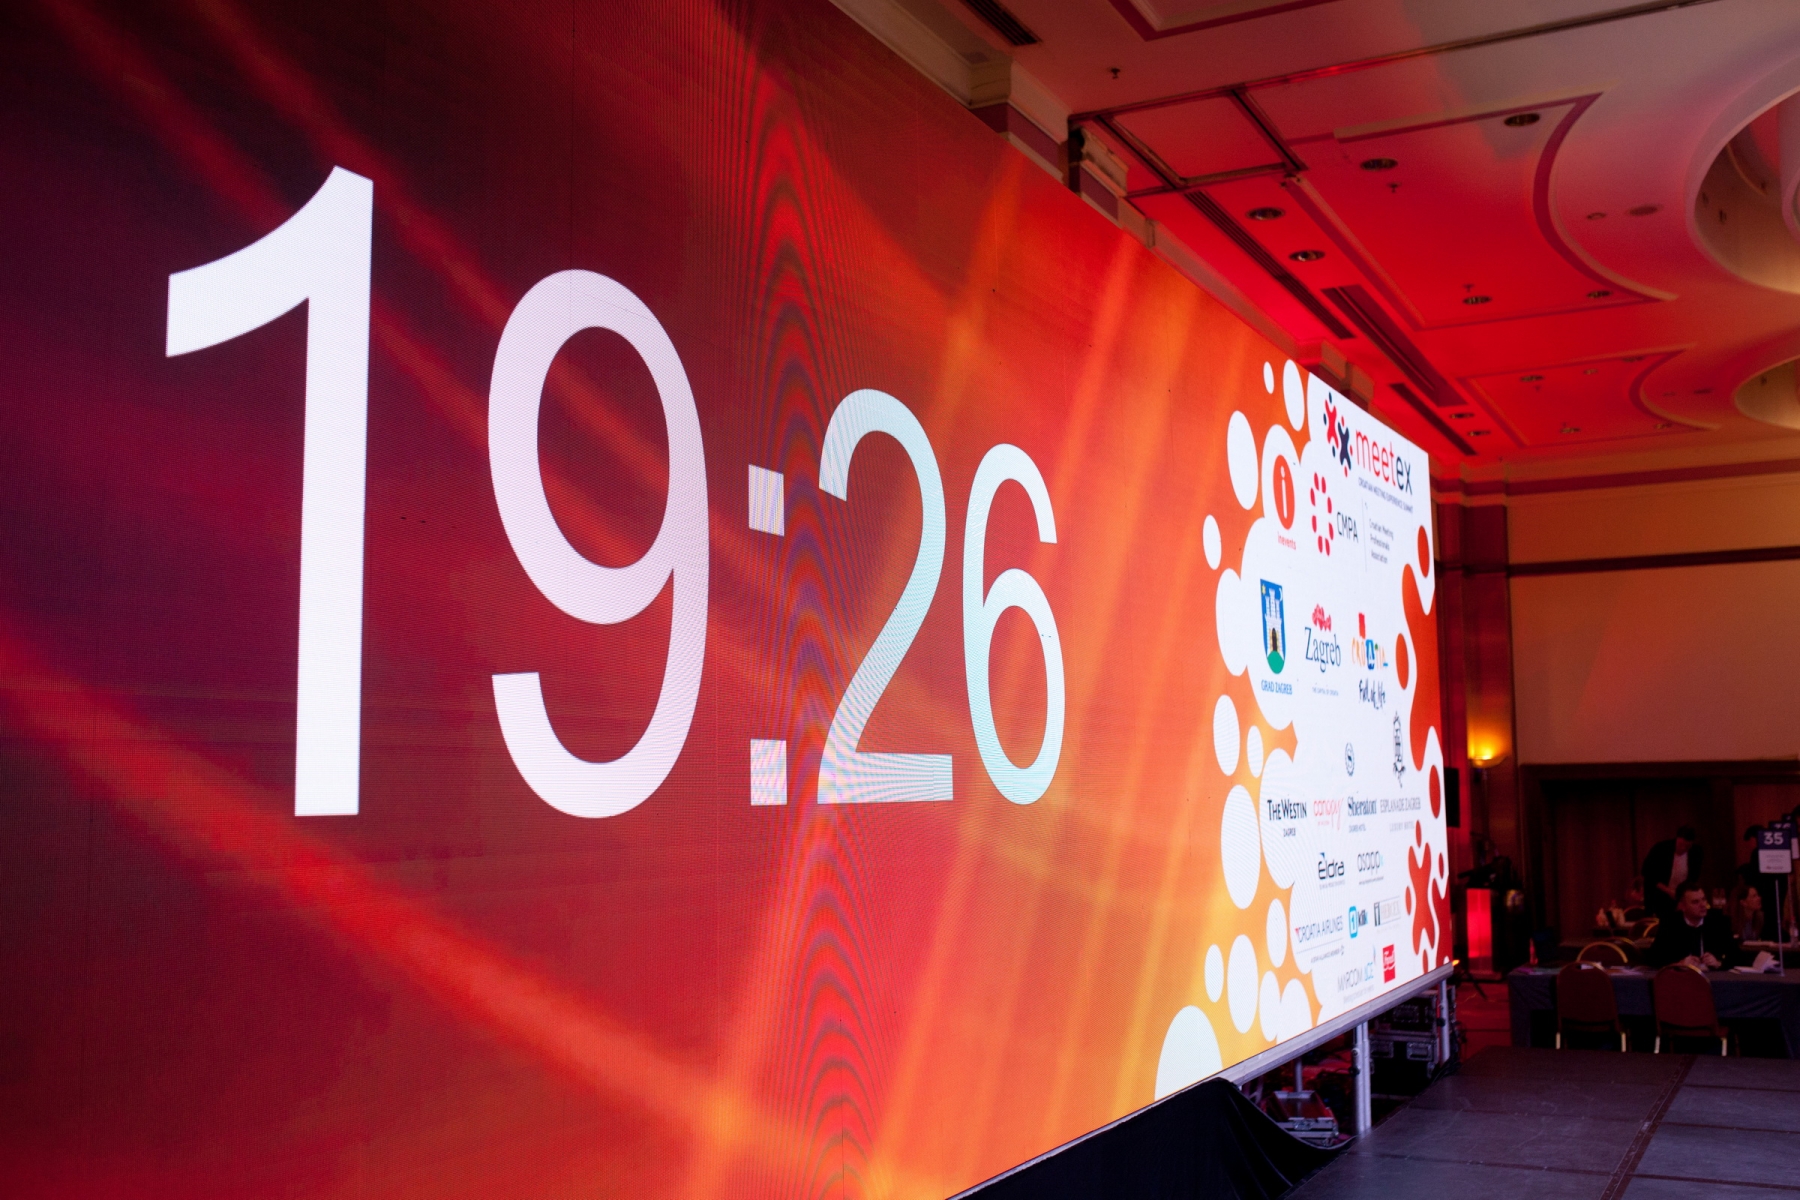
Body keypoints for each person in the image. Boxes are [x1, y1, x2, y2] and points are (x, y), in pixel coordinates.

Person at [1646, 880, 1736, 968]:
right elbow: (1653, 959)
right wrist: (1679, 964)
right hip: (1681, 976)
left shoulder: (1718, 922)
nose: (1703, 905)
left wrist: (1719, 963)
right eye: (1695, 902)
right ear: (1682, 906)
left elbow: (1737, 956)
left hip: (1713, 976)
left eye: (1704, 899)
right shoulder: (1670, 924)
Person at [1642, 825, 1703, 923]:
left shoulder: (1696, 852)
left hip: (1680, 896)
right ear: (1677, 839)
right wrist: (1668, 891)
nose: (1683, 848)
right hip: (1658, 896)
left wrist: (1681, 896)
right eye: (1681, 844)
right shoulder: (1661, 848)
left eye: (1687, 846)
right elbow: (1647, 873)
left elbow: (1693, 877)